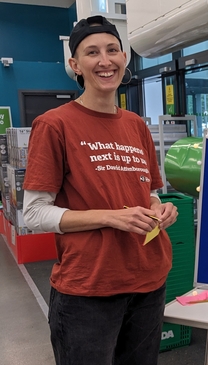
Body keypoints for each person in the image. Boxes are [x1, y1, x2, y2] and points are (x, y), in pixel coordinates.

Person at [22, 15, 178, 365]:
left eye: (112, 50)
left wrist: (160, 208)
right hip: (89, 289)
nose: (104, 61)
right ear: (75, 64)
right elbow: (34, 213)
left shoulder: (136, 125)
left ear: (125, 58)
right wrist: (111, 217)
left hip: (148, 279)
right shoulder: (54, 125)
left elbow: (149, 192)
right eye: (92, 52)